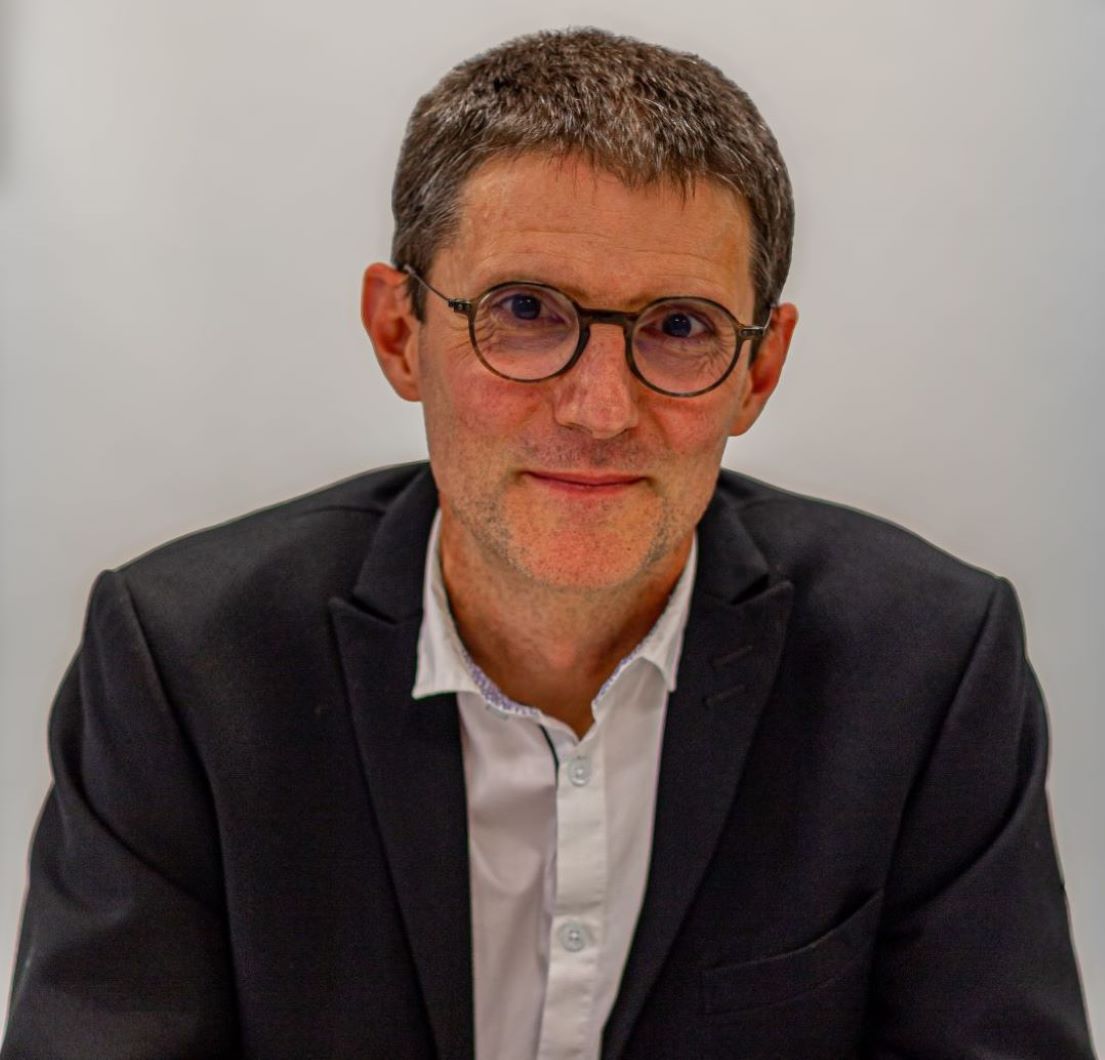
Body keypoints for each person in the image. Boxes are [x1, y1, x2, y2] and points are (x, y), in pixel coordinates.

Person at [1, 27, 1094, 1060]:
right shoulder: (186, 664)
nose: (599, 409)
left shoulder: (926, 668)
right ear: (399, 332)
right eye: (524, 311)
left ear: (759, 370)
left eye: (679, 327)